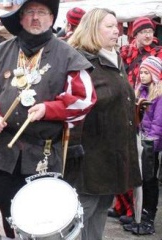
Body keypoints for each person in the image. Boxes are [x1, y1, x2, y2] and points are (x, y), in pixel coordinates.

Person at [0, 0, 97, 238]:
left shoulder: (68, 55)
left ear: (52, 18)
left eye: (42, 12)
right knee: (2, 207)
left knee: (40, 217)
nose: (36, 18)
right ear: (20, 18)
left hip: (43, 153)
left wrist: (49, 109)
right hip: (2, 152)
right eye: (30, 12)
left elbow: (84, 98)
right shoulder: (0, 52)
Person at [66, 8, 142, 240]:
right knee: (79, 213)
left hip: (112, 153)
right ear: (91, 29)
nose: (115, 30)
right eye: (108, 26)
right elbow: (70, 107)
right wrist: (74, 149)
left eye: (116, 25)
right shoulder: (81, 62)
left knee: (100, 209)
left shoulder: (112, 59)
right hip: (88, 156)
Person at [130, 56, 162, 235]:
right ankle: (140, 216)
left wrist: (152, 144)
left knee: (150, 181)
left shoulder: (159, 94)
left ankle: (149, 218)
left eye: (146, 72)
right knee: (141, 180)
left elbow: (158, 123)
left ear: (155, 74)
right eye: (141, 72)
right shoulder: (141, 92)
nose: (142, 76)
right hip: (141, 140)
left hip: (151, 145)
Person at [121, 16, 162, 89]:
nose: (148, 36)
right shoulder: (125, 52)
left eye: (150, 31)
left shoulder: (158, 53)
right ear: (135, 35)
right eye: (143, 32)